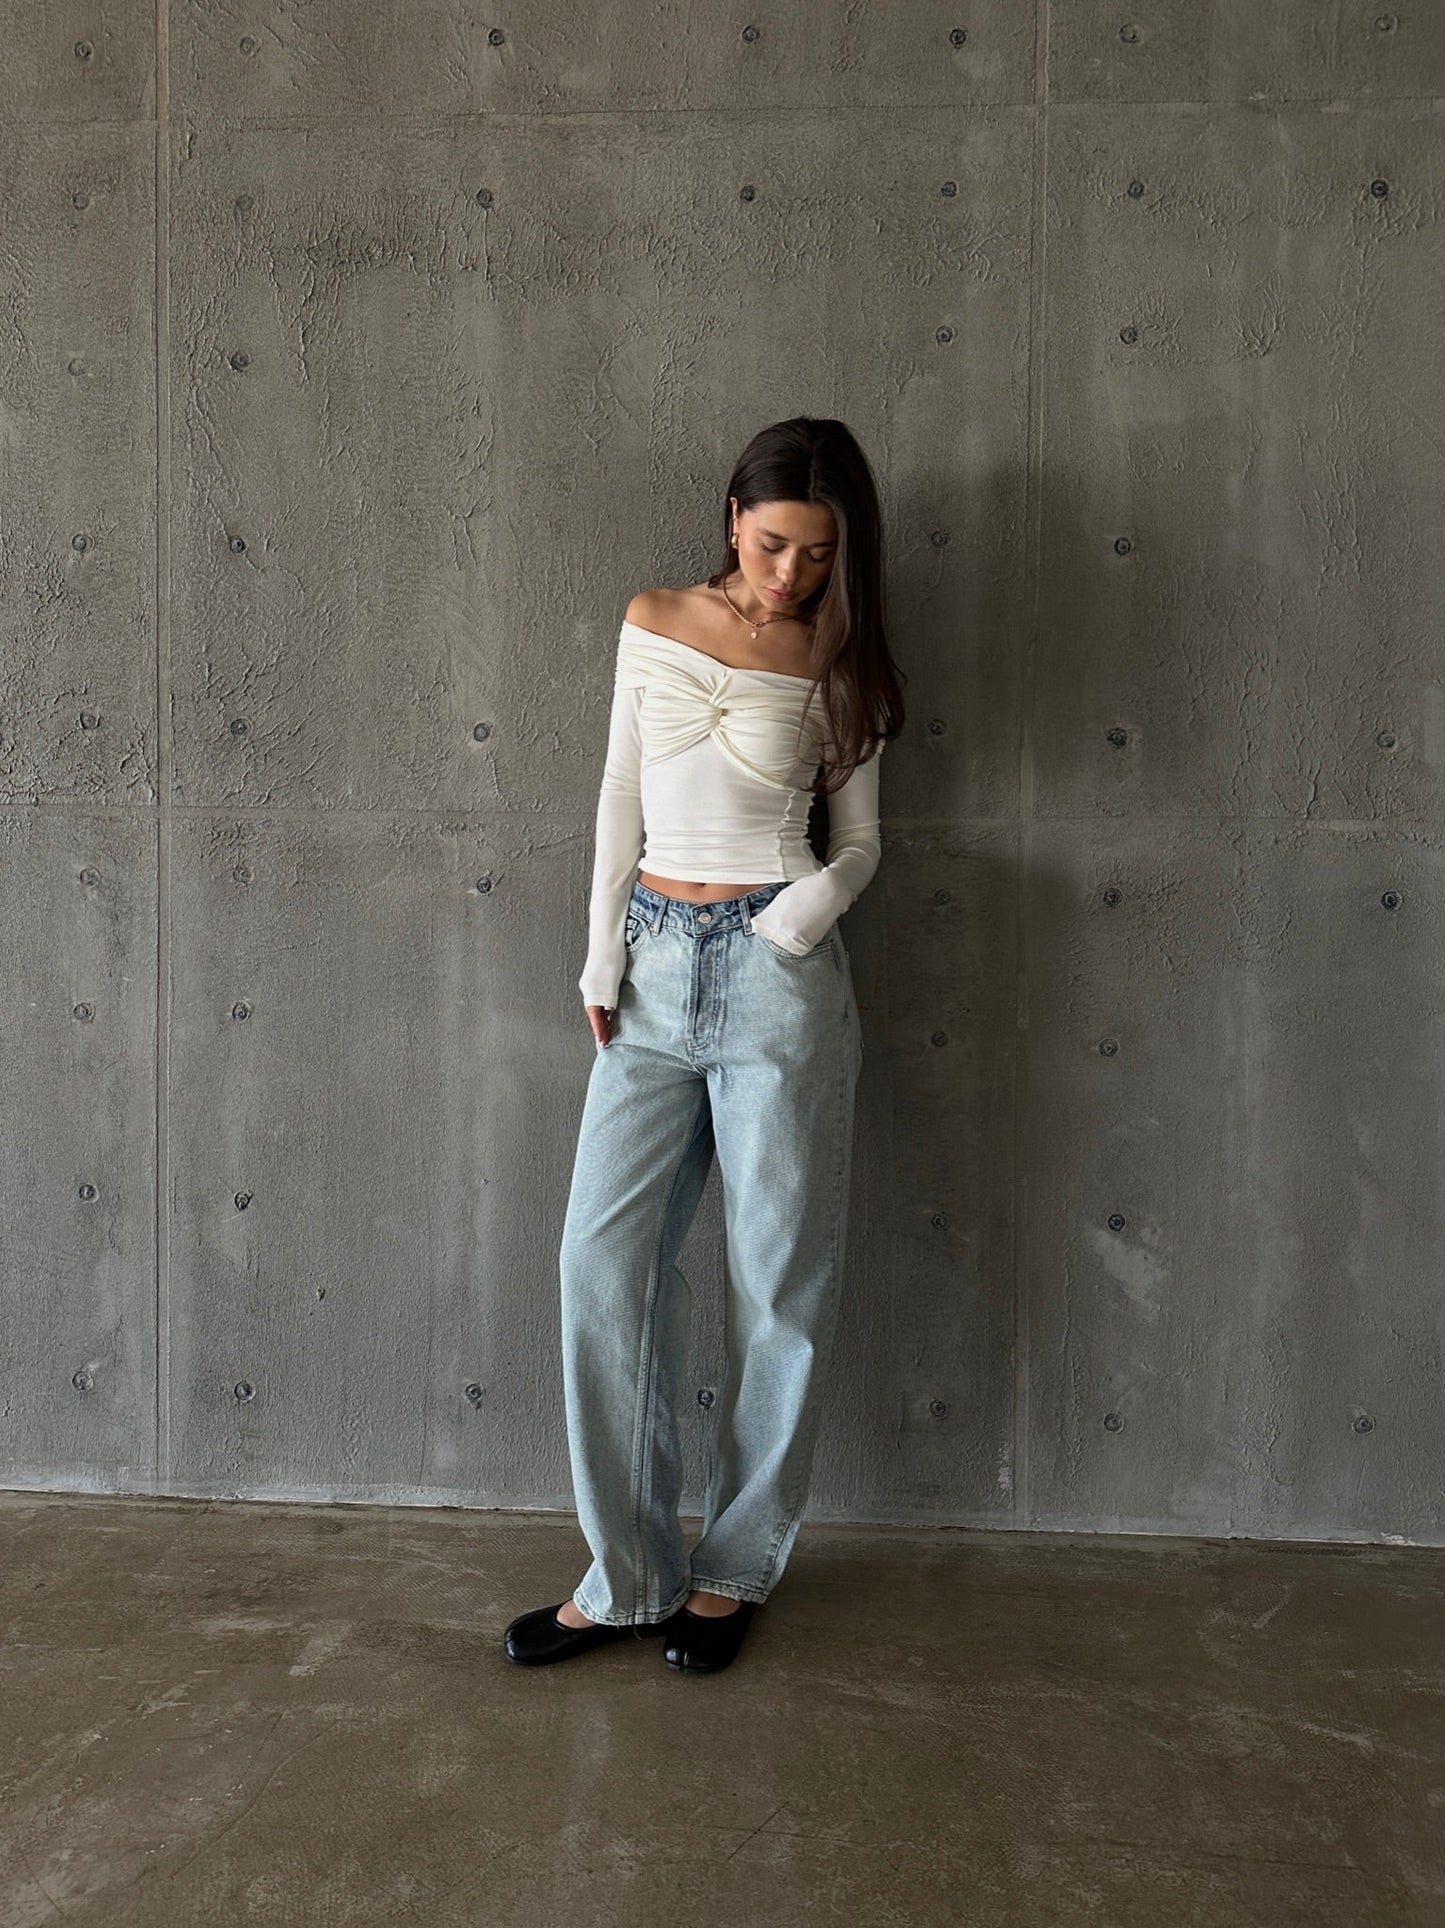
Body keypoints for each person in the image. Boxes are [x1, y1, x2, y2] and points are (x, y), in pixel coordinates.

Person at [504, 417, 905, 1674]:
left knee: (776, 1280)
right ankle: (625, 1574)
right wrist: (598, 950)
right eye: (776, 541)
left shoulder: (840, 659)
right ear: (734, 512)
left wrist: (800, 915)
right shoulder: (651, 617)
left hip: (781, 977)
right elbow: (619, 789)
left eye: (820, 554)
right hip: (652, 969)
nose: (791, 574)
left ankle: (732, 1567)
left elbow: (862, 842)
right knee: (600, 1263)